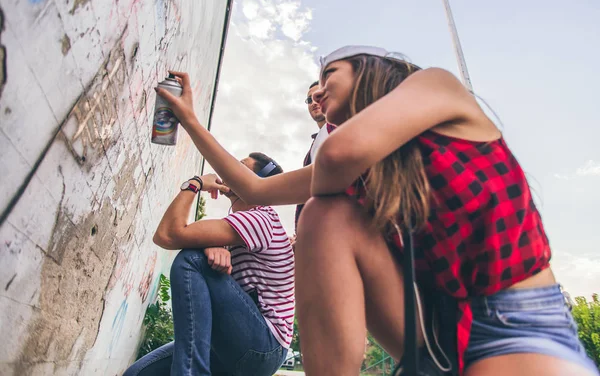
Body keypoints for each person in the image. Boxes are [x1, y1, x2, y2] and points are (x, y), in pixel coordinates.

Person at [154, 55, 598, 376]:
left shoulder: (436, 87)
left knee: (323, 209)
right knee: (323, 219)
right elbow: (254, 188)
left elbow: (340, 151)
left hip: (513, 320)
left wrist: (327, 152)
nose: (318, 91)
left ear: (369, 70)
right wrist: (188, 118)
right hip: (430, 327)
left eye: (329, 74)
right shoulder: (346, 172)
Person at [123, 153, 293, 376]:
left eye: (240, 167)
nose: (229, 169)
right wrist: (211, 244)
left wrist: (195, 183)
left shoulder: (261, 218)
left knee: (191, 260)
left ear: (257, 182)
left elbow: (168, 234)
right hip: (234, 342)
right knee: (137, 374)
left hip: (263, 346)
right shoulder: (242, 226)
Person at [292, 81, 335, 242]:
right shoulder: (318, 141)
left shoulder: (340, 130)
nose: (314, 102)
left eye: (319, 95)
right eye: (309, 100)